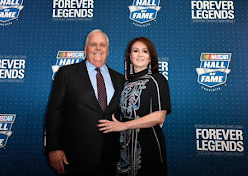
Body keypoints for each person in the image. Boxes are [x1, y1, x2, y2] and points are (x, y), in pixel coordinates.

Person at [46, 29, 125, 175]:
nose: (98, 48)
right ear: (85, 49)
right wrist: (54, 148)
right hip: (75, 156)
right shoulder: (66, 74)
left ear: (107, 50)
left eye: (102, 45)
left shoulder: (120, 79)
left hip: (111, 157)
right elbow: (54, 112)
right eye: (93, 44)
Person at [98, 37, 171, 176]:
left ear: (151, 57)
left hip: (148, 144)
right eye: (135, 51)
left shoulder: (157, 79)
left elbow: (160, 116)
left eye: (145, 51)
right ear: (130, 57)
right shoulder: (125, 83)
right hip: (124, 147)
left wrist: (124, 126)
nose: (140, 55)